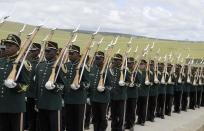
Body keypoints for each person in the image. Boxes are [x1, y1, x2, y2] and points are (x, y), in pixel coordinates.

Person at [0, 34, 27, 131]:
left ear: (17, 48)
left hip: (15, 107)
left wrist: (15, 86)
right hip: (2, 107)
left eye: (10, 45)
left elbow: (26, 87)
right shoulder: (1, 61)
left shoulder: (22, 64)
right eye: (6, 45)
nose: (6, 47)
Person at [60, 45, 89, 131]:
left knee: (78, 124)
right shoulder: (65, 65)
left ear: (77, 54)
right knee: (68, 123)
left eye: (72, 53)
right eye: (69, 53)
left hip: (78, 100)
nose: (70, 55)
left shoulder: (83, 67)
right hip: (67, 99)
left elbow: (88, 83)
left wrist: (80, 85)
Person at [35, 41, 63, 131]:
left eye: (49, 51)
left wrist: (55, 87)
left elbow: (63, 85)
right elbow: (37, 85)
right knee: (43, 128)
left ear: (55, 52)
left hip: (53, 104)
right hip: (41, 104)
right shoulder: (40, 65)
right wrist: (36, 101)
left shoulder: (60, 66)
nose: (46, 53)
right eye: (45, 51)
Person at [89, 51, 110, 131]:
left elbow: (110, 85)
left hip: (103, 99)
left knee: (103, 118)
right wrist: (88, 96)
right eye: (96, 58)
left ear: (103, 59)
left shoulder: (107, 70)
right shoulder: (92, 69)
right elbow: (90, 83)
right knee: (95, 117)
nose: (97, 60)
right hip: (94, 98)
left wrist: (104, 88)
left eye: (99, 58)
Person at [107, 53, 127, 131]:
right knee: (113, 113)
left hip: (121, 95)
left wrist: (125, 83)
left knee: (120, 114)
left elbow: (130, 80)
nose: (114, 61)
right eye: (114, 60)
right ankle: (113, 127)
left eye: (116, 60)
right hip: (113, 95)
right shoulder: (112, 69)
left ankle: (119, 128)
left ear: (121, 61)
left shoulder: (125, 70)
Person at [124, 57, 138, 130]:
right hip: (126, 93)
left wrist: (134, 84)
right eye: (128, 63)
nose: (129, 64)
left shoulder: (136, 72)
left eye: (130, 63)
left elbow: (139, 83)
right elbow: (124, 80)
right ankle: (126, 123)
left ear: (133, 63)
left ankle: (132, 124)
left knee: (132, 110)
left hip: (133, 94)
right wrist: (127, 83)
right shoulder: (125, 71)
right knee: (126, 110)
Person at [136, 59, 150, 126]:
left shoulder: (147, 72)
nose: (141, 65)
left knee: (143, 107)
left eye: (142, 64)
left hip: (144, 92)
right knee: (138, 107)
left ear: (145, 65)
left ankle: (143, 120)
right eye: (140, 64)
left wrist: (148, 83)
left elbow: (152, 80)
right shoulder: (137, 72)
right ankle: (139, 119)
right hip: (138, 92)